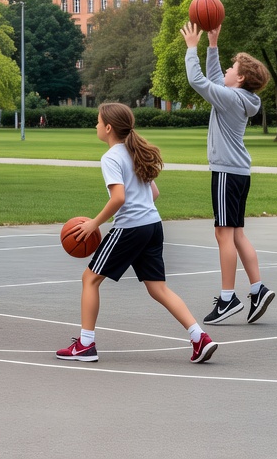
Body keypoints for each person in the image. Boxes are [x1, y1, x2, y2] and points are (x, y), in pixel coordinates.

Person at [56, 103, 218, 365]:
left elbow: (118, 197)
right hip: (153, 225)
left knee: (89, 279)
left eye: (98, 122)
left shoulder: (110, 157)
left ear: (108, 128)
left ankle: (85, 345)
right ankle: (199, 337)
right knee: (158, 288)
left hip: (131, 227)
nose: (95, 126)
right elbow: (154, 194)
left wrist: (94, 224)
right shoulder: (133, 152)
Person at [181, 22, 276, 325]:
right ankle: (258, 289)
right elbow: (213, 79)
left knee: (223, 234)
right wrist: (213, 45)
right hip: (240, 173)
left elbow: (198, 81)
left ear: (241, 78)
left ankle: (227, 298)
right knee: (235, 233)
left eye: (231, 68)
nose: (226, 70)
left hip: (225, 173)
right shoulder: (240, 98)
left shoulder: (231, 98)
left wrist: (192, 48)